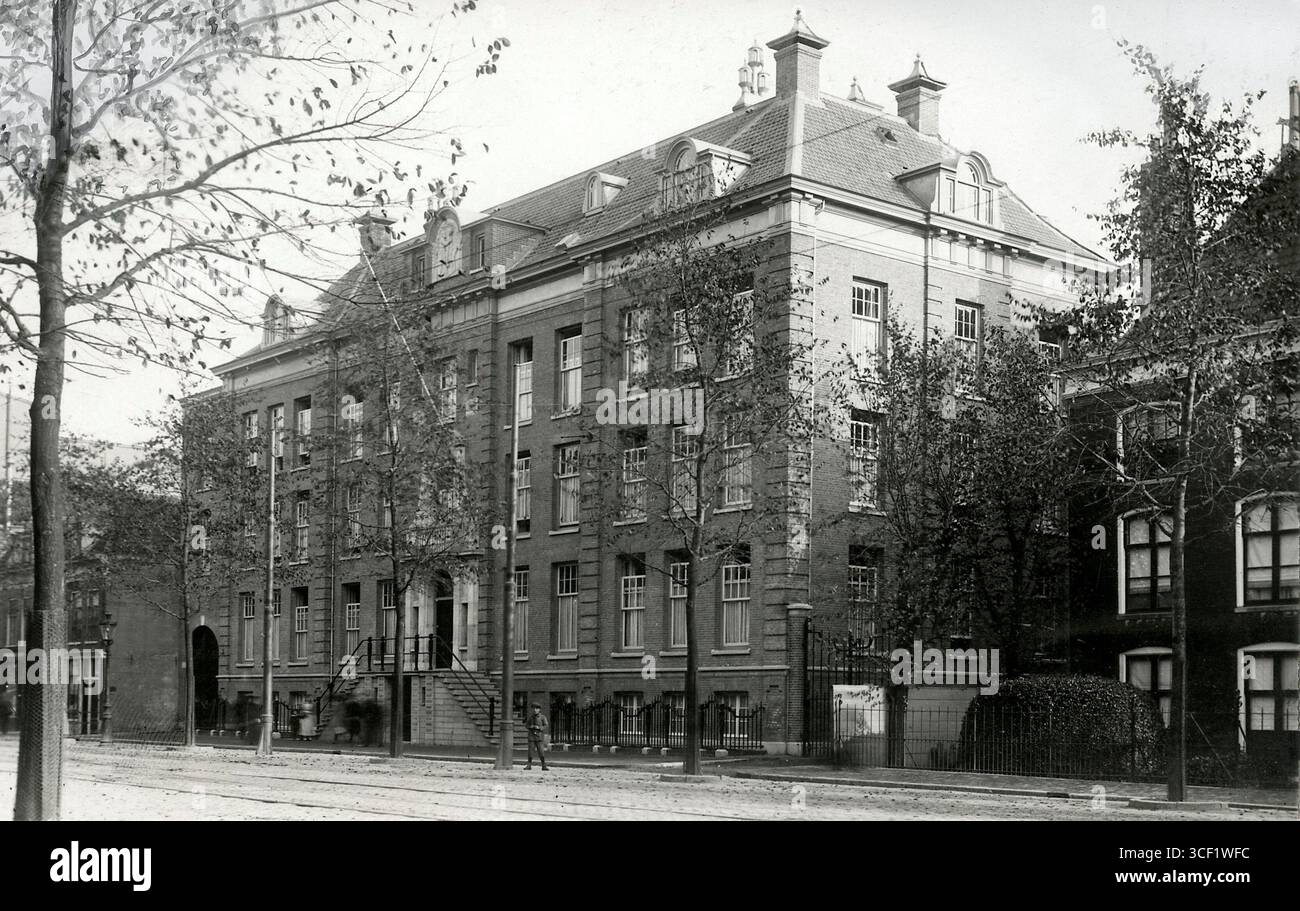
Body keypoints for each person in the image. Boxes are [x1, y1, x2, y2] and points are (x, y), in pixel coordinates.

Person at [523, 702, 549, 771]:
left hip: (539, 737)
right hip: (531, 736)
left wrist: (540, 728)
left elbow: (546, 725)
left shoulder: (542, 717)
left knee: (541, 751)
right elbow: (526, 725)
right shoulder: (530, 717)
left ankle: (543, 765)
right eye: (534, 708)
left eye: (537, 708)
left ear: (539, 709)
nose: (535, 710)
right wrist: (530, 726)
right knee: (530, 751)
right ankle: (529, 765)